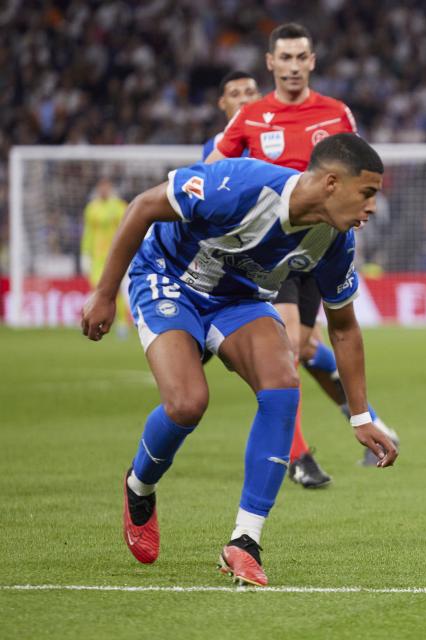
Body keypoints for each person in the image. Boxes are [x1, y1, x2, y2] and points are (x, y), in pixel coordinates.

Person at [80, 134, 399, 587]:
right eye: (367, 193)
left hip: (240, 299)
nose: (371, 207)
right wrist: (104, 293)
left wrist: (361, 415)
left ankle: (244, 541)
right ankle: (139, 485)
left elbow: (344, 328)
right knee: (188, 403)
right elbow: (144, 206)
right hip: (170, 279)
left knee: (283, 384)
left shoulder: (336, 240)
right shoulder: (241, 185)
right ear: (331, 183)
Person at [207, 23, 398, 485]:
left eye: (301, 58)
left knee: (307, 345)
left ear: (312, 61)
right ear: (270, 63)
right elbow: (212, 169)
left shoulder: (335, 113)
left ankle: (362, 420)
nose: (293, 67)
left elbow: (358, 172)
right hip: (269, 249)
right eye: (284, 58)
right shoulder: (251, 116)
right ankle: (296, 456)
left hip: (321, 246)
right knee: (290, 342)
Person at [80, 178, 130, 336]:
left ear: (110, 188)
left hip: (115, 255)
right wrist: (85, 253)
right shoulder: (91, 208)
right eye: (100, 187)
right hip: (97, 257)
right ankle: (93, 319)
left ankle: (122, 322)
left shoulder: (120, 207)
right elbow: (88, 232)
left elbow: (128, 229)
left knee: (116, 290)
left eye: (106, 187)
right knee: (97, 288)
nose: (103, 190)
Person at [201, 70, 260, 160]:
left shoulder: (277, 137)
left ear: (260, 98)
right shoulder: (214, 146)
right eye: (235, 94)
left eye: (250, 93)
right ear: (222, 103)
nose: (244, 100)